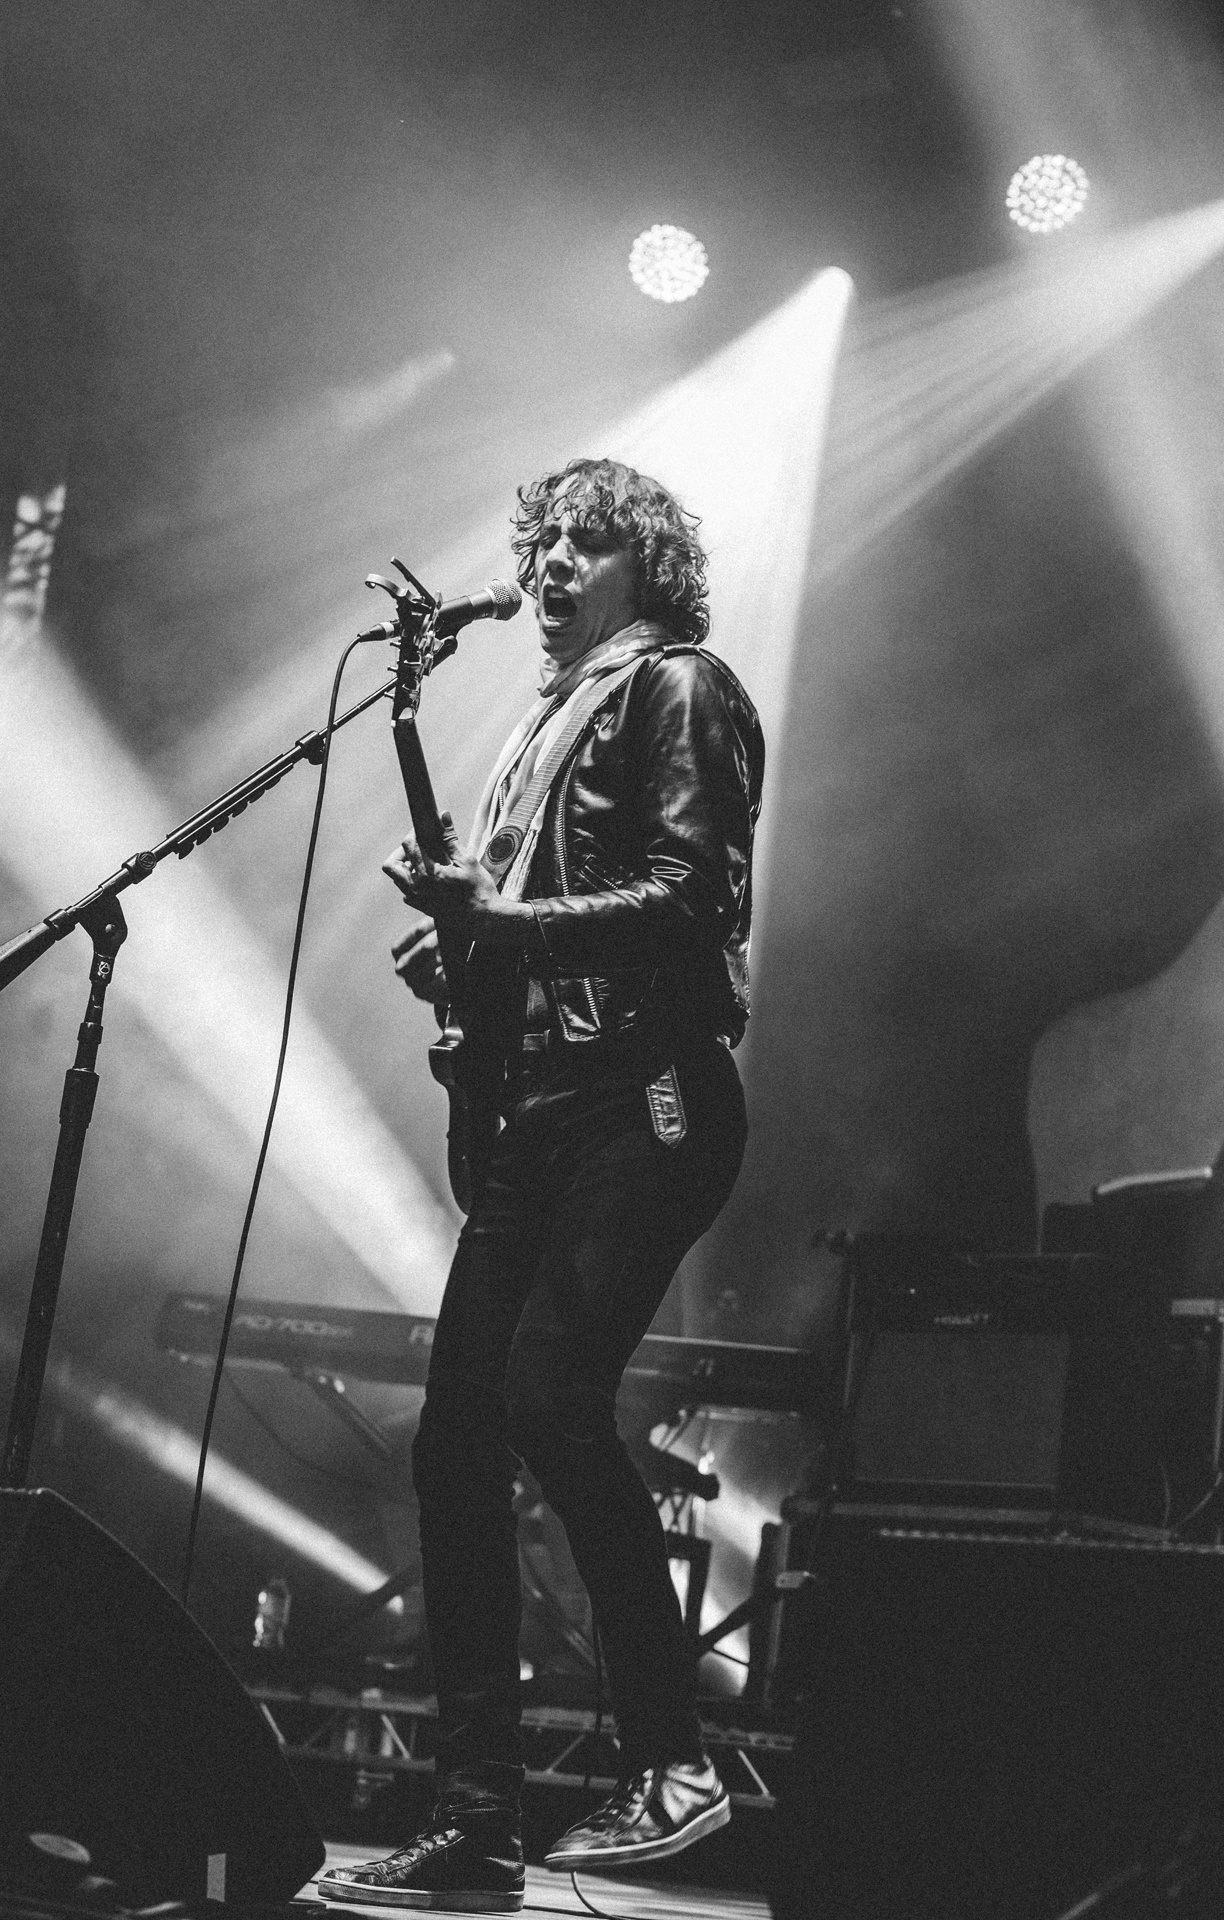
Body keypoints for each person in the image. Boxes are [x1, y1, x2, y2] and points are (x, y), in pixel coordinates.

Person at [318, 456, 763, 1913]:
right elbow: (532, 925)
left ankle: (676, 1763)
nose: (554, 562)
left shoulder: (675, 688)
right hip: (548, 1108)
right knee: (455, 1437)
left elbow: (692, 899)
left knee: (552, 1402)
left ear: (648, 569)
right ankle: (476, 1826)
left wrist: (504, 924)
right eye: (544, 542)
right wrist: (468, 958)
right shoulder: (541, 720)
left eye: (589, 541)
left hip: (647, 1095)